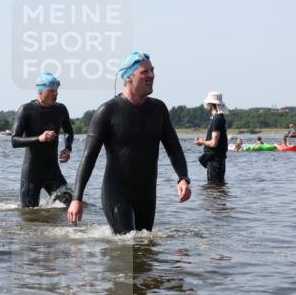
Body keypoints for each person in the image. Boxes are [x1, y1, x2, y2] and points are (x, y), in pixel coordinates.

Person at [67, 52, 190, 234]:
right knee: (126, 247)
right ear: (129, 77)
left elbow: (174, 148)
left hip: (147, 195)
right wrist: (76, 198)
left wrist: (183, 178)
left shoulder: (158, 109)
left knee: (144, 251)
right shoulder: (107, 111)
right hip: (117, 194)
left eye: (152, 71)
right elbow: (88, 158)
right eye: (144, 72)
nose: (151, 75)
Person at [12, 72, 74, 207]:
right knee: (30, 213)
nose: (55, 94)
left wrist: (67, 148)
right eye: (51, 91)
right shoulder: (26, 110)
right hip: (31, 174)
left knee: (70, 204)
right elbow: (14, 141)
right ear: (40, 91)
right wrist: (39, 138)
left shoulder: (60, 109)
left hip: (53, 171)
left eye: (56, 91)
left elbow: (69, 131)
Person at [194, 92, 228, 184]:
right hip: (218, 159)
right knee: (218, 188)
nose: (206, 105)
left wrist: (201, 142)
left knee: (213, 187)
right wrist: (204, 141)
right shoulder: (219, 118)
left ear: (212, 104)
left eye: (208, 103)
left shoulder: (217, 119)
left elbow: (214, 143)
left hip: (215, 161)